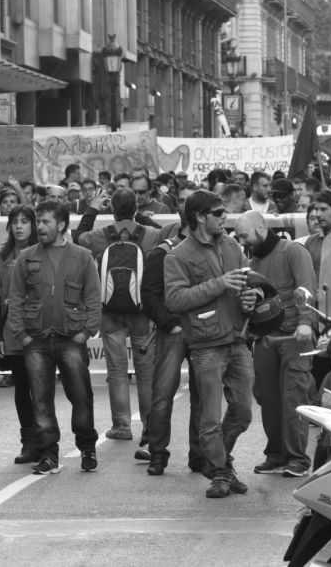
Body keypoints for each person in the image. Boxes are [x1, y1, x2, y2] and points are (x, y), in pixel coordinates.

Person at [163, 191, 256, 499]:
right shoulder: (178, 255)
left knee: (243, 413)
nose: (224, 216)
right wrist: (220, 283)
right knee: (210, 419)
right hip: (206, 345)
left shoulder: (232, 246)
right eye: (218, 212)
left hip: (237, 338)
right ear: (200, 216)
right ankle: (219, 472)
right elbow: (175, 299)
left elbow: (248, 285)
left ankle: (220, 464)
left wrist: (252, 298)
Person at [6, 200, 101, 475]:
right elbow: (15, 298)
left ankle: (87, 447)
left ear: (60, 225)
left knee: (81, 396)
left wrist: (86, 332)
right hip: (35, 340)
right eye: (39, 221)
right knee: (41, 400)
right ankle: (48, 454)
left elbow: (93, 298)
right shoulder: (26, 257)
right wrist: (21, 335)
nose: (40, 227)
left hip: (72, 339)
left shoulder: (83, 256)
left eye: (45, 221)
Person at [232, 211, 316, 479]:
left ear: (260, 227)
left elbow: (307, 290)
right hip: (266, 338)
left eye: (245, 235)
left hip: (295, 336)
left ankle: (298, 459)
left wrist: (306, 323)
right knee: (268, 398)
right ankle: (276, 454)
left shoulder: (293, 252)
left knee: (294, 397)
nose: (242, 241)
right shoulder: (252, 261)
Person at [76, 187, 159, 454]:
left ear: (111, 209)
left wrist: (91, 209)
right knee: (146, 372)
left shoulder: (101, 235)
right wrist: (143, 219)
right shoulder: (150, 235)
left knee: (117, 370)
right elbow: (168, 235)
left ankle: (122, 424)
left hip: (109, 310)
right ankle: (149, 424)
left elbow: (78, 237)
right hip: (142, 309)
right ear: (135, 208)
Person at [141, 191, 206, 477]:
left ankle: (200, 454)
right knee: (163, 394)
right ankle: (157, 453)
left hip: (204, 330)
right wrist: (170, 324)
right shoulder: (164, 250)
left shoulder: (213, 248)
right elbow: (150, 295)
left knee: (202, 395)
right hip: (175, 330)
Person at [0, 206, 38, 464]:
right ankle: (28, 442)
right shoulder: (1, 255)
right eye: (14, 222)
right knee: (22, 387)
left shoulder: (44, 251)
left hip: (41, 332)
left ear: (34, 225)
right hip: (12, 332)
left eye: (25, 221)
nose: (19, 226)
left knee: (42, 387)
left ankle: (46, 439)